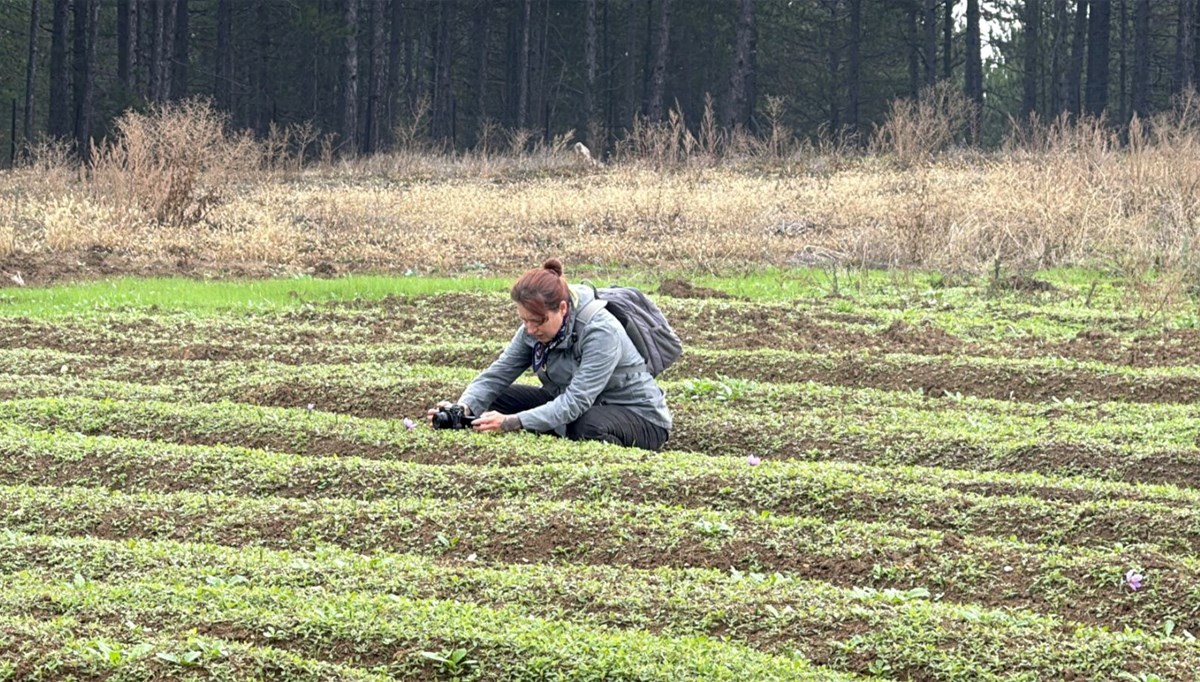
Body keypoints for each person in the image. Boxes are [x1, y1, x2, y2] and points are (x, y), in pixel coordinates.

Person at [427, 258, 671, 450]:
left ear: (562, 309)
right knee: (492, 400)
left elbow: (577, 401)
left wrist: (513, 422)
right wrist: (462, 409)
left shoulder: (601, 331)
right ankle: (550, 427)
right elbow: (497, 375)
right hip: (578, 406)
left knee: (586, 427)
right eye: (525, 320)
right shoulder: (532, 330)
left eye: (538, 321)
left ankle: (586, 444)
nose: (531, 329)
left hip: (638, 417)